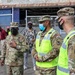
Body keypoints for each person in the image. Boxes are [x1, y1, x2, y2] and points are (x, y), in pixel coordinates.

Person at [57, 7, 75, 75]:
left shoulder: (72, 38)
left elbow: (72, 70)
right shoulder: (69, 36)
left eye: (58, 20)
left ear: (61, 20)